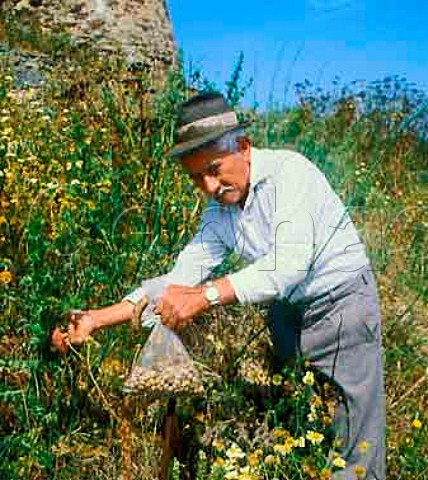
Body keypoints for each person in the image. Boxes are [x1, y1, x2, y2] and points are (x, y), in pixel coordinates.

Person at [57, 92, 386, 479]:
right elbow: (180, 281)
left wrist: (207, 296)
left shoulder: (290, 175)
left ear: (243, 147)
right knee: (300, 422)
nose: (210, 186)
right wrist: (96, 319)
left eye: (214, 169)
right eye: (196, 178)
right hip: (286, 314)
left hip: (341, 306)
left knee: (356, 440)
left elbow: (289, 266)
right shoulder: (220, 210)